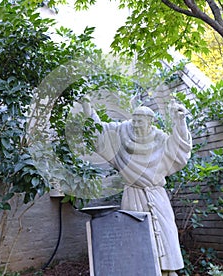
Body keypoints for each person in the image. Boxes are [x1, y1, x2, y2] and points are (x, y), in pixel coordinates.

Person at [82, 99, 192, 276]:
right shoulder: (123, 134)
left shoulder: (160, 139)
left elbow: (179, 149)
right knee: (134, 237)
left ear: (150, 121)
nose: (135, 123)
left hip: (156, 194)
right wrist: (88, 107)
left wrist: (180, 121)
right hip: (133, 195)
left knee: (166, 232)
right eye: (134, 119)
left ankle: (169, 270)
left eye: (140, 120)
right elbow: (100, 132)